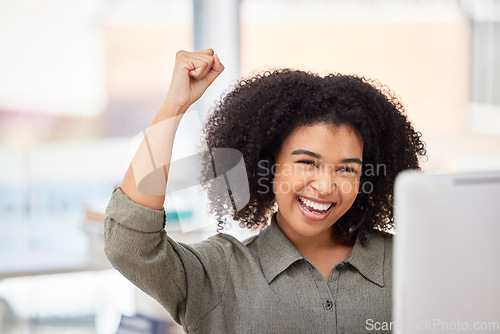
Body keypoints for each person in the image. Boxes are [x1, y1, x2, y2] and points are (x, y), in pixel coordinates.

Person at [104, 49, 426, 333]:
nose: (325, 186)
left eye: (346, 169)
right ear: (268, 166)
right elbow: (130, 245)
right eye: (307, 163)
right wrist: (174, 106)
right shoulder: (219, 275)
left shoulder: (409, 263)